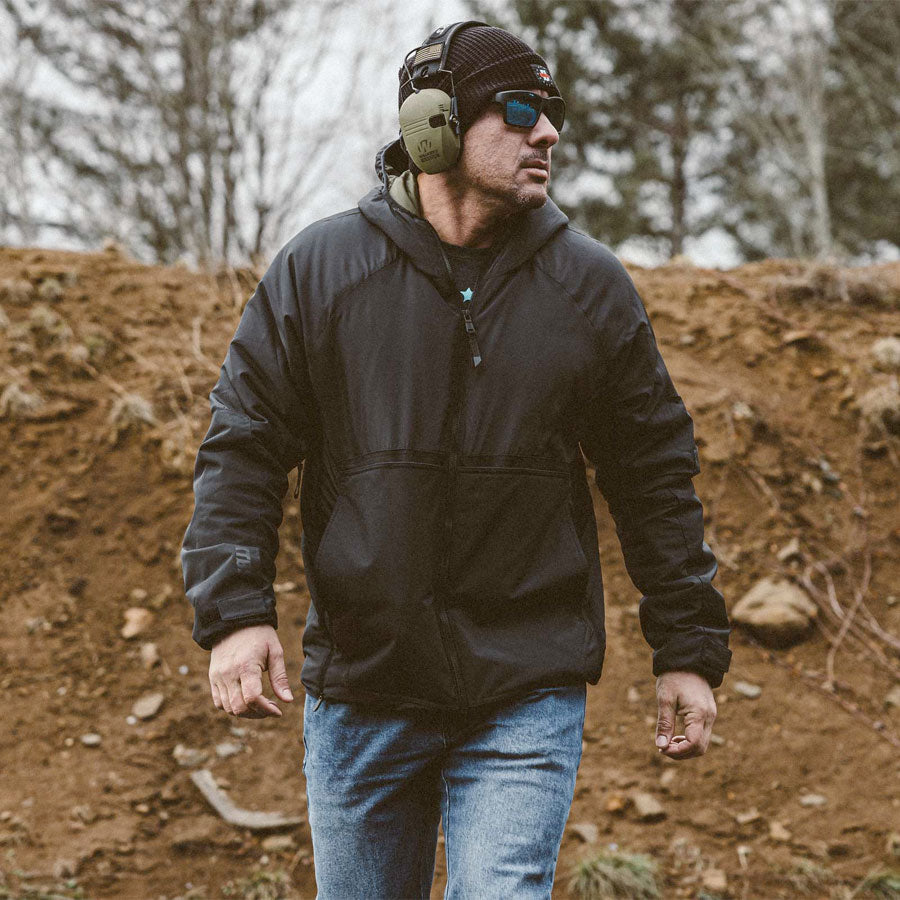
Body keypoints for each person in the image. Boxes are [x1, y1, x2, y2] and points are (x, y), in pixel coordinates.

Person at [181, 20, 733, 899]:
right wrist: (235, 612)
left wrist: (688, 650)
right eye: (519, 111)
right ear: (433, 125)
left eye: (552, 115)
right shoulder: (321, 270)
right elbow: (243, 445)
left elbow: (654, 475)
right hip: (365, 683)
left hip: (526, 689)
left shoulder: (588, 286)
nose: (546, 134)